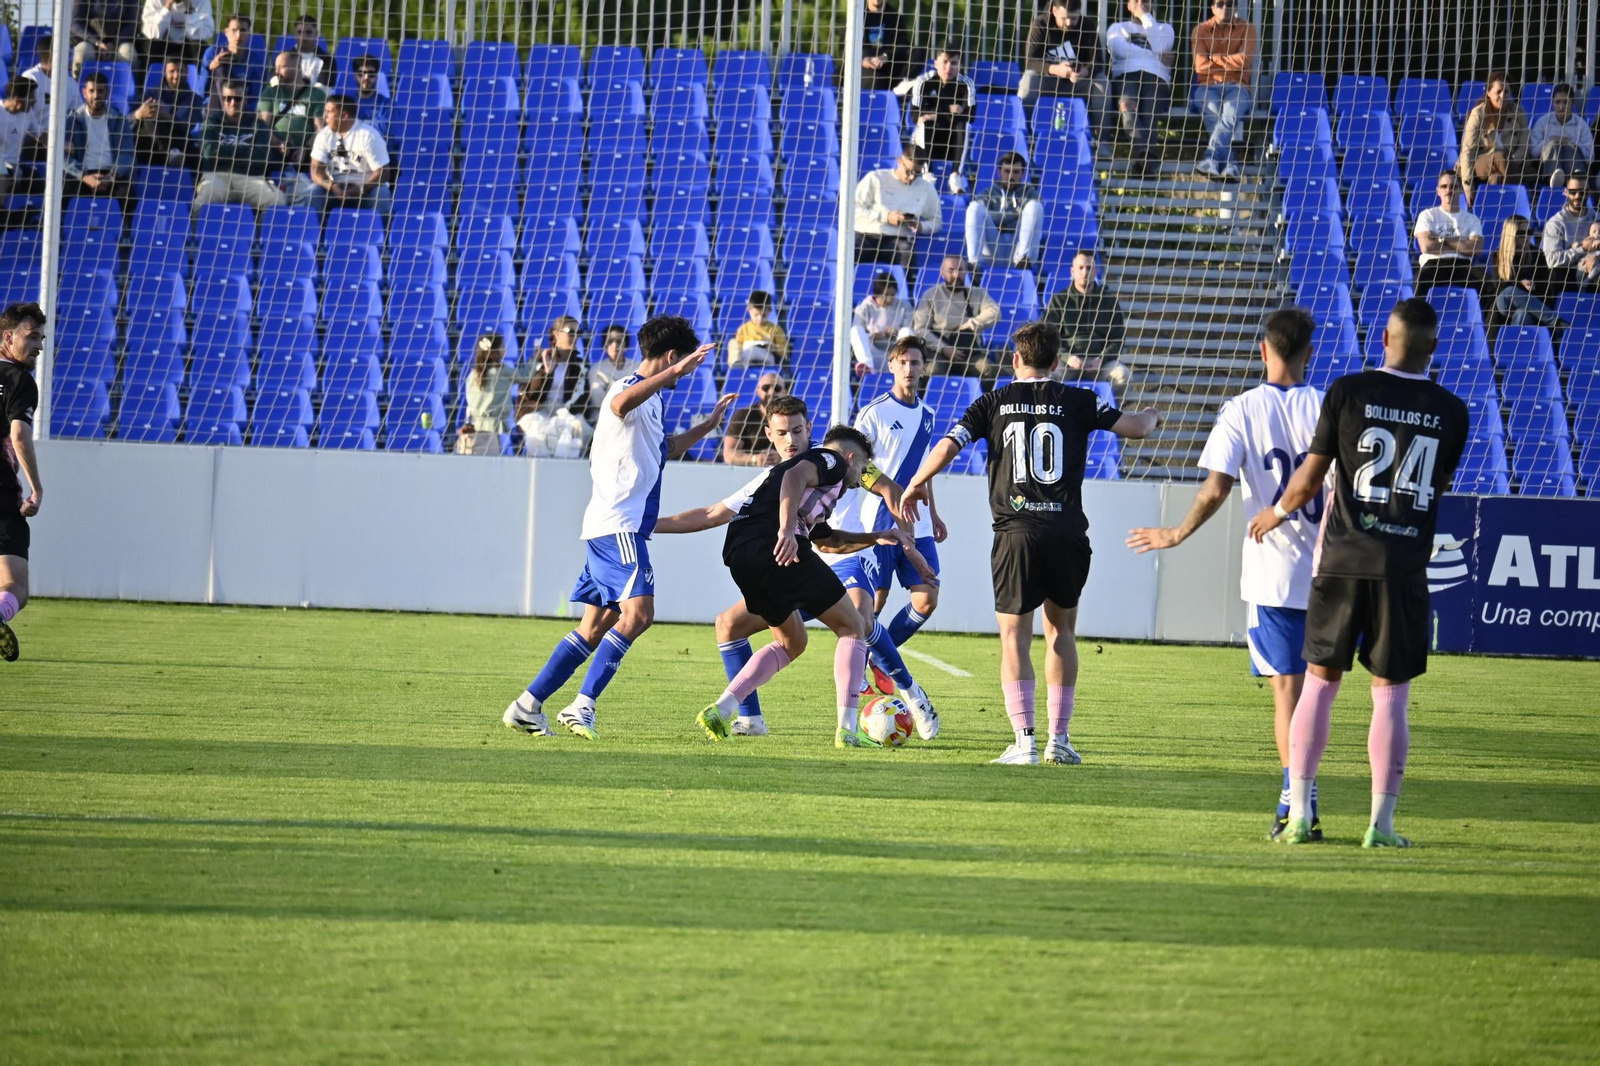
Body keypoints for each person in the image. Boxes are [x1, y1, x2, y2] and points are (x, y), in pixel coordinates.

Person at [1246, 297, 1469, 848]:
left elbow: (1306, 481)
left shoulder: (1347, 392)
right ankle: (1381, 825)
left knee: (1318, 687)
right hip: (1403, 567)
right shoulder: (1453, 411)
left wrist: (1272, 515)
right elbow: (1434, 488)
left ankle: (1299, 815)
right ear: (1433, 349)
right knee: (1390, 696)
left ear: (1384, 339)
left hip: (1342, 561)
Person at [896, 322, 1162, 765]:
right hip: (1066, 532)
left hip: (1016, 534)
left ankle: (1024, 742)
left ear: (1016, 360)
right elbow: (1135, 428)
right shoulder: (1079, 399)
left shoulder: (992, 401)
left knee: (1014, 638)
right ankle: (1060, 739)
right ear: (1056, 363)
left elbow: (949, 445)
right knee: (1062, 632)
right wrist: (1153, 415)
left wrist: (915, 483)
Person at [1127, 308, 1327, 840]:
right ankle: (1303, 794)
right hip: (1333, 573)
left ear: (1263, 351)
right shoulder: (1330, 407)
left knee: (1287, 690)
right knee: (1318, 691)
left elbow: (1215, 488)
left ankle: (1294, 795)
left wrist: (1174, 534)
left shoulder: (1241, 410)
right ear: (1310, 353)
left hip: (1275, 574)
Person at [501, 316, 736, 740]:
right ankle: (582, 705)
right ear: (670, 358)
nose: (686, 375)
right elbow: (619, 404)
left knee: (594, 627)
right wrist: (674, 372)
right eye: (685, 366)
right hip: (619, 527)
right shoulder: (625, 387)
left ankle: (527, 706)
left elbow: (667, 448)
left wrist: (707, 427)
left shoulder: (655, 402)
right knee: (640, 614)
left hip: (608, 527)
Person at [657, 395, 939, 741]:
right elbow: (721, 510)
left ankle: (726, 709)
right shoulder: (833, 461)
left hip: (752, 553)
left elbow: (840, 529)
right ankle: (850, 729)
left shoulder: (825, 466)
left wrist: (889, 537)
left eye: (796, 431)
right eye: (782, 433)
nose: (790, 439)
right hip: (785, 548)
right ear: (769, 435)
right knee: (855, 626)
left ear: (809, 429)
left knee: (792, 640)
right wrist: (788, 530)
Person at [853, 337, 948, 670]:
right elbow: (856, 465)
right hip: (881, 519)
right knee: (874, 602)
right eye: (902, 362)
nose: (909, 368)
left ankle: (878, 660)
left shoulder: (928, 414)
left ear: (924, 368)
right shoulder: (874, 413)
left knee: (927, 598)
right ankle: (856, 670)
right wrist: (887, 494)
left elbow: (925, 469)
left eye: (916, 362)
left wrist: (933, 514)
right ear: (891, 365)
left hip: (918, 521)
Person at [0, 302, 45, 664]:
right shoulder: (19, 381)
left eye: (41, 338)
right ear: (7, 337)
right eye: (32, 337)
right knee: (15, 585)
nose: (39, 346)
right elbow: (18, 435)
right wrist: (37, 488)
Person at [1019, 0, 1110, 145]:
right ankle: (1025, 137)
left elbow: (1098, 61)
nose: (1068, 22)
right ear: (1054, 11)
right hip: (1048, 81)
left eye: (1073, 18)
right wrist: (1056, 70)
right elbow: (1031, 61)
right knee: (1029, 79)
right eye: (1064, 18)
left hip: (1077, 82)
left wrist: (1085, 71)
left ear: (1079, 13)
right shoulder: (1040, 25)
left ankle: (1102, 141)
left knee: (1102, 83)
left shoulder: (1088, 25)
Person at [1042, 250, 1131, 393]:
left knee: (1122, 375)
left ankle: (1107, 413)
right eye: (1081, 267)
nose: (1085, 272)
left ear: (1096, 271)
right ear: (1072, 271)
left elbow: (1118, 338)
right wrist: (1066, 356)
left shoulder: (1108, 301)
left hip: (1100, 362)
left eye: (1089, 268)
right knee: (1046, 377)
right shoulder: (1059, 300)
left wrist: (1101, 359)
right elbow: (1048, 338)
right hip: (1067, 362)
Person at [195, 78, 288, 212]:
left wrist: (223, 153)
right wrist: (246, 151)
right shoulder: (211, 123)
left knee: (277, 200)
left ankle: (260, 233)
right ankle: (193, 233)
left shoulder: (258, 125)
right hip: (217, 175)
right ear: (223, 100)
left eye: (238, 99)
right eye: (228, 98)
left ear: (245, 100)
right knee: (202, 201)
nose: (233, 103)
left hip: (250, 178)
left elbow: (261, 158)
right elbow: (209, 152)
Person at [1106, 0, 1175, 179]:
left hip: (1156, 76)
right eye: (1136, 1)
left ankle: (1142, 158)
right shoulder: (1117, 28)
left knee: (1150, 112)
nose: (1141, 4)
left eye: (1145, 1)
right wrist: (1155, 56)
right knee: (1127, 106)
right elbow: (1119, 50)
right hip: (1126, 74)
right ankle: (1145, 157)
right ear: (1128, 5)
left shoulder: (1165, 29)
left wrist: (1145, 17)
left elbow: (1161, 46)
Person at [1191, 0, 1256, 182]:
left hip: (1238, 86)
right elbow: (1200, 66)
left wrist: (1215, 58)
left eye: (1230, 3)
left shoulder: (1248, 29)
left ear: (1236, 7)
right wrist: (1231, 61)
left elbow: (1245, 61)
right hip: (1207, 85)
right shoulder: (1201, 30)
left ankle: (1211, 159)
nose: (1225, 7)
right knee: (1214, 116)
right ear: (1212, 7)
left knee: (1229, 117)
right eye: (1220, 3)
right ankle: (1231, 165)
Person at [854, 144, 943, 271]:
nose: (912, 177)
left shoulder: (926, 189)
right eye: (909, 171)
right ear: (899, 161)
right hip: (865, 235)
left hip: (897, 238)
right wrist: (886, 217)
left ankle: (906, 289)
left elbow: (937, 222)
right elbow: (853, 210)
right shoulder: (875, 178)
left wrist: (921, 226)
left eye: (917, 173)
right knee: (849, 249)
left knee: (907, 254)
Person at [901, 42, 976, 192]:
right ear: (935, 63)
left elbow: (970, 116)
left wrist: (933, 113)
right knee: (925, 124)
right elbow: (916, 116)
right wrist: (948, 110)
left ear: (960, 64)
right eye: (945, 62)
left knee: (963, 126)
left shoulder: (967, 84)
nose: (948, 68)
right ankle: (927, 173)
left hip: (953, 142)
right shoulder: (923, 82)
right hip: (927, 140)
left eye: (953, 63)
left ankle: (956, 175)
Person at [913, 253, 1000, 377]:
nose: (956, 275)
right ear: (942, 272)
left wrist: (969, 325)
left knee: (988, 368)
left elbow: (995, 312)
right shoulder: (930, 295)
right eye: (951, 270)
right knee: (933, 370)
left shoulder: (977, 293)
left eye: (960, 270)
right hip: (939, 351)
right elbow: (920, 330)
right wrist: (943, 348)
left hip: (969, 352)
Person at [257, 51, 324, 203]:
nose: (276, 72)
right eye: (276, 67)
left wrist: (305, 149)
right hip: (274, 148)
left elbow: (319, 129)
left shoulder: (316, 95)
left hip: (306, 149)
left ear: (296, 67)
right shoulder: (270, 93)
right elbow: (263, 127)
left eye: (282, 67)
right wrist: (278, 143)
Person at [308, 93, 390, 216]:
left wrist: (362, 189)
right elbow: (315, 171)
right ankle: (312, 233)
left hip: (366, 192)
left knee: (382, 193)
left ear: (344, 115)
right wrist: (332, 186)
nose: (324, 116)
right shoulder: (323, 135)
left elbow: (383, 172)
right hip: (334, 191)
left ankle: (380, 234)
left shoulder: (369, 136)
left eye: (329, 112)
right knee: (313, 191)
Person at [456, 331, 534, 456]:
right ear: (496, 351)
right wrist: (534, 360)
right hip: (490, 432)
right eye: (503, 346)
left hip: (474, 430)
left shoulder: (473, 374)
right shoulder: (502, 372)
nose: (505, 349)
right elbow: (525, 376)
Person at [1413, 171, 1490, 297]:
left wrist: (1442, 238)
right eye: (1444, 186)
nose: (1448, 190)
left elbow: (1476, 249)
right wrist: (1462, 244)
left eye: (1453, 186)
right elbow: (1426, 246)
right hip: (1434, 265)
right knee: (1421, 282)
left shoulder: (1472, 219)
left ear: (1460, 190)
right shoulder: (1427, 215)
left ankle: (1484, 317)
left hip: (1462, 265)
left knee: (1489, 286)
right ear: (1438, 191)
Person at [965, 151, 1043, 271]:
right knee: (974, 208)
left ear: (1022, 173)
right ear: (999, 172)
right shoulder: (987, 193)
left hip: (1018, 247)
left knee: (1035, 207)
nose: (1011, 176)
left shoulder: (1031, 194)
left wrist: (998, 218)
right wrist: (1014, 215)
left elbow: (1032, 221)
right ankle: (974, 263)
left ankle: (1023, 260)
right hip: (993, 248)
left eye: (1016, 172)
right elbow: (982, 217)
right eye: (1007, 171)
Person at [64, 73, 135, 201]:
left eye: (100, 91)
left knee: (127, 195)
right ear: (84, 93)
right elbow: (63, 157)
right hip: (82, 173)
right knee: (66, 190)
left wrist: (110, 177)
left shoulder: (119, 120)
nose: (96, 96)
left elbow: (127, 153)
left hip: (111, 173)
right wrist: (84, 176)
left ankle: (124, 222)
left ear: (107, 93)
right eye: (92, 91)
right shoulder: (72, 120)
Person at [1459, 73, 1531, 194]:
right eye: (1499, 91)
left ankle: (1494, 205)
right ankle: (1516, 198)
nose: (1502, 96)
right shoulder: (1478, 114)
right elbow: (1468, 152)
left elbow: (1524, 146)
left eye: (1506, 92)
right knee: (1502, 157)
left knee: (1497, 177)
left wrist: (1511, 160)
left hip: (1510, 161)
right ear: (1488, 92)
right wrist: (1468, 186)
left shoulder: (1519, 113)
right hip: (1480, 162)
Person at [1494, 215, 1566, 329]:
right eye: (1521, 233)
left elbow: (1544, 289)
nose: (1526, 236)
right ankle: (1555, 321)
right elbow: (1499, 287)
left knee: (1523, 314)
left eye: (1529, 232)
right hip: (1505, 304)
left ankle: (1517, 346)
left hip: (1531, 305)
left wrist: (1532, 288)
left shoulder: (1537, 254)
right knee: (1510, 291)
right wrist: (1519, 283)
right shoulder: (1498, 255)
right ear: (1511, 234)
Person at [129, 58, 203, 166]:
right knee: (151, 113)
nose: (176, 75)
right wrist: (138, 114)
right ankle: (169, 152)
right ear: (164, 72)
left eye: (180, 71)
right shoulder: (150, 94)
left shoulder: (195, 99)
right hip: (150, 142)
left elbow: (191, 127)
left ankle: (170, 153)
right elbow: (127, 121)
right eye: (172, 71)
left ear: (187, 72)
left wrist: (167, 116)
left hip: (178, 139)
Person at [1541, 175, 1600, 291]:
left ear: (1589, 193)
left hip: (1596, 268)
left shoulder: (1597, 218)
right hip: (1567, 274)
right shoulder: (1555, 223)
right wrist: (1583, 249)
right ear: (1566, 192)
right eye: (1573, 192)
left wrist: (1597, 256)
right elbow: (1552, 260)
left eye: (1582, 192)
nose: (1577, 196)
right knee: (1556, 274)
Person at [851, 271, 916, 373]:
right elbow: (858, 336)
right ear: (877, 294)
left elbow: (909, 331)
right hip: (873, 352)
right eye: (886, 295)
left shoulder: (905, 306)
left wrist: (896, 332)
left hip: (896, 351)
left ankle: (902, 366)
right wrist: (878, 335)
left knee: (907, 331)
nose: (889, 299)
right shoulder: (864, 308)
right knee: (855, 330)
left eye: (892, 295)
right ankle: (867, 366)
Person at [1530, 83, 1592, 188]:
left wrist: (1570, 143)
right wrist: (1550, 142)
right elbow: (1532, 149)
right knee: (1553, 145)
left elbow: (1590, 155)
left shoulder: (1581, 124)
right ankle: (1554, 178)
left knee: (1570, 147)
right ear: (1552, 103)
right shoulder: (1542, 122)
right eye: (1557, 102)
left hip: (1575, 163)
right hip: (1545, 166)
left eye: (1565, 102)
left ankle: (1575, 178)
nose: (1561, 106)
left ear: (1573, 103)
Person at [722, 370, 789, 466]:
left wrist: (782, 458)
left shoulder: (794, 416)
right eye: (766, 388)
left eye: (777, 388)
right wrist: (755, 458)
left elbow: (803, 448)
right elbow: (728, 454)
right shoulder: (743, 415)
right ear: (757, 391)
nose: (771, 392)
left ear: (785, 392)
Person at [23, 36, 85, 135]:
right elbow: (24, 117)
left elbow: (79, 113)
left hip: (63, 138)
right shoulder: (30, 78)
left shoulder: (70, 82)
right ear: (53, 56)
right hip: (34, 138)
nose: (69, 58)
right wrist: (42, 136)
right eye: (67, 54)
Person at [202, 15, 266, 109]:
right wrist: (211, 68)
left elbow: (256, 97)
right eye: (234, 30)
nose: (238, 35)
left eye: (243, 30)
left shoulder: (255, 60)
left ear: (249, 34)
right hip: (216, 108)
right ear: (226, 32)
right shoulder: (212, 53)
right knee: (220, 67)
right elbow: (201, 91)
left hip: (243, 111)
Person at [0, 80, 44, 208]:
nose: (35, 100)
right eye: (31, 96)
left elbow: (40, 135)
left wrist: (62, 144)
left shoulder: (28, 114)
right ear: (18, 100)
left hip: (13, 167)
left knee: (36, 182)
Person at [70, 0, 140, 74]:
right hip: (90, 41)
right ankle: (78, 84)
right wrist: (96, 42)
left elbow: (132, 24)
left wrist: (114, 43)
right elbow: (75, 23)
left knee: (127, 51)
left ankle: (130, 84)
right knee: (83, 50)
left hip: (120, 41)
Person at [586, 324, 638, 419]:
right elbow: (598, 401)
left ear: (625, 345)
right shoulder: (596, 370)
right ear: (605, 346)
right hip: (604, 417)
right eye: (610, 341)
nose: (614, 345)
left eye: (619, 341)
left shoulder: (637, 368)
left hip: (633, 416)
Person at [727, 290, 789, 368]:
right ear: (749, 311)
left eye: (763, 315)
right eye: (756, 315)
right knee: (732, 342)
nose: (759, 319)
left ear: (770, 311)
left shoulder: (775, 329)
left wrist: (774, 348)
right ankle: (736, 364)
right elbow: (738, 346)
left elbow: (785, 350)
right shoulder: (743, 329)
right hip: (747, 354)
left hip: (765, 356)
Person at [141, 0, 215, 64]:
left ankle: (197, 79)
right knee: (151, 45)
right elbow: (150, 33)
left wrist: (189, 10)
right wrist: (167, 8)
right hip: (164, 44)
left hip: (188, 46)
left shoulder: (201, 1)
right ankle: (148, 79)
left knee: (200, 47)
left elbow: (206, 33)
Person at [861, 0, 912, 93]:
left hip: (888, 66)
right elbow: (843, 49)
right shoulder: (857, 16)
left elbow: (903, 46)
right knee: (875, 78)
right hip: (862, 67)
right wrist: (862, 61)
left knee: (919, 51)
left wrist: (886, 56)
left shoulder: (895, 17)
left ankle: (903, 84)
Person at [349, 55, 390, 138]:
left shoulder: (389, 105)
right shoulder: (345, 104)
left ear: (377, 77)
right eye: (361, 74)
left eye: (371, 74)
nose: (366, 78)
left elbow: (384, 135)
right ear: (355, 76)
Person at [289, 14, 332, 86]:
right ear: (295, 34)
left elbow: (323, 89)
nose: (303, 37)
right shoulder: (285, 57)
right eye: (299, 32)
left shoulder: (327, 60)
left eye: (308, 32)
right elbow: (274, 81)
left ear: (316, 34)